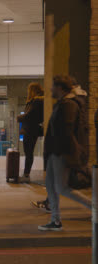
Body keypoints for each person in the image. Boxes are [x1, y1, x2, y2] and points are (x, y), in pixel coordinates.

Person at [38, 75, 91, 231]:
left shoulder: (68, 105)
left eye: (52, 86)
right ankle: (55, 221)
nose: (50, 89)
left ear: (60, 88)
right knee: (50, 185)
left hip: (61, 153)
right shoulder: (62, 103)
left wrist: (68, 155)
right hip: (55, 152)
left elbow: (67, 132)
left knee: (61, 188)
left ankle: (94, 207)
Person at [17, 83, 44, 183]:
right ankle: (26, 173)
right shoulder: (35, 101)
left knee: (28, 152)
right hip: (29, 128)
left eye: (29, 90)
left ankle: (26, 174)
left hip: (31, 129)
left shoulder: (36, 101)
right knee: (28, 152)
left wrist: (19, 118)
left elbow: (29, 115)